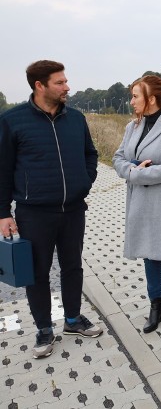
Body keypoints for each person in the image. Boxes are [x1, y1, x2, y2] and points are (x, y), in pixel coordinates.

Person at [0, 60, 102, 359]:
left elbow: (90, 154)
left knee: (73, 266)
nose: (67, 86)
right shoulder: (12, 121)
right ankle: (44, 328)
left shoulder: (76, 119)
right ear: (39, 85)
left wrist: (85, 182)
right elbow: (3, 170)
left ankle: (73, 320)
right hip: (34, 213)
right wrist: (3, 212)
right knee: (38, 272)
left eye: (66, 81)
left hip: (73, 210)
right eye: (60, 82)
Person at [113, 75, 161, 335]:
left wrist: (138, 173)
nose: (131, 101)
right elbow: (118, 158)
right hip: (143, 200)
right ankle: (156, 305)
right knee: (150, 253)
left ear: (152, 99)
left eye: (135, 96)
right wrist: (133, 171)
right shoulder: (131, 127)